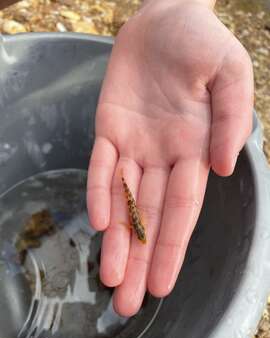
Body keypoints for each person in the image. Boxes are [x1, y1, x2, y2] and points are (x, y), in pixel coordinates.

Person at [87, 0, 254, 317]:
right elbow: (135, 215)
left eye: (140, 230)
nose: (139, 229)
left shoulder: (137, 221)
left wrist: (174, 5)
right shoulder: (138, 219)